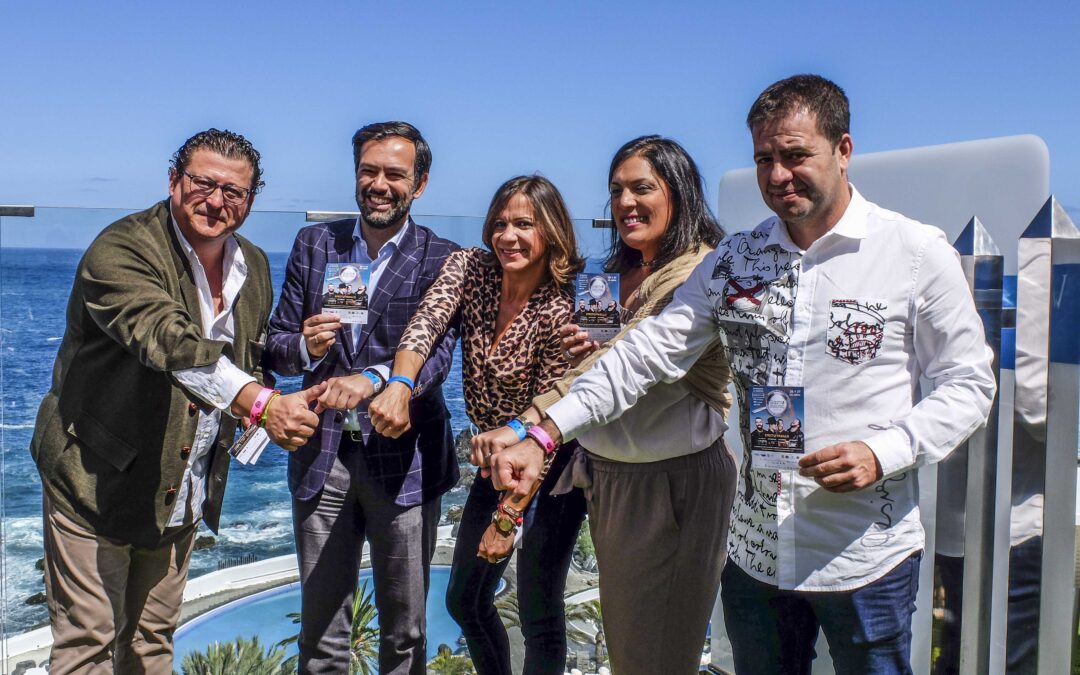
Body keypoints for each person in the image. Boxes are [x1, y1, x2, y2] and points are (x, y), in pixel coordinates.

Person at [490, 75, 996, 674]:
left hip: (865, 555)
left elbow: (969, 384)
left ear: (843, 150)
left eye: (795, 155)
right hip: (757, 553)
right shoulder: (735, 260)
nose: (778, 175)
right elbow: (643, 354)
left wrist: (884, 451)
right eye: (763, 159)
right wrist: (544, 433)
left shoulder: (914, 253)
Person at [30, 129, 324, 674]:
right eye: (203, 183)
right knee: (88, 644)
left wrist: (296, 363)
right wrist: (260, 405)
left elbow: (247, 358)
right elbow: (166, 338)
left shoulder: (254, 265)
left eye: (233, 191)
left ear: (250, 201)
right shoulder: (120, 249)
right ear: (174, 181)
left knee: (151, 643)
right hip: (94, 482)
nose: (216, 200)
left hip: (181, 490)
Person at [472, 136, 735, 674]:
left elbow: (631, 360)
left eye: (642, 188)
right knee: (628, 647)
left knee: (656, 657)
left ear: (679, 193)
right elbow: (601, 362)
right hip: (613, 477)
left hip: (671, 482)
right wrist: (583, 354)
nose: (625, 203)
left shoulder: (695, 272)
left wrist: (530, 427)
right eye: (616, 191)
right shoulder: (622, 269)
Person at [364, 175, 586, 675]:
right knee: (465, 599)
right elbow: (426, 322)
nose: (508, 236)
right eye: (500, 223)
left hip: (549, 465)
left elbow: (550, 414)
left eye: (524, 224)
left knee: (538, 610)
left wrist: (508, 519)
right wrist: (399, 383)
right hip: (493, 461)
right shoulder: (471, 268)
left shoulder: (561, 307)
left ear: (551, 231)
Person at [263, 121, 459, 675]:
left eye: (394, 174)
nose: (379, 184)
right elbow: (276, 344)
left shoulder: (443, 257)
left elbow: (438, 357)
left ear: (419, 184)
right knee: (321, 633)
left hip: (406, 462)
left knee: (406, 633)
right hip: (321, 456)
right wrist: (304, 345)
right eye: (368, 171)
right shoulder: (315, 244)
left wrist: (375, 379)